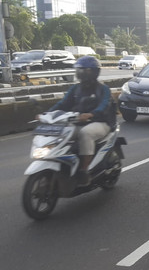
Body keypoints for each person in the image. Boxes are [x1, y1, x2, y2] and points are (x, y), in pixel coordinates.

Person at [39, 56, 116, 186]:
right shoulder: (75, 89)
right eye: (79, 70)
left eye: (85, 71)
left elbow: (104, 106)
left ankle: (84, 170)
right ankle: (64, 163)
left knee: (85, 133)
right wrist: (46, 114)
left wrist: (91, 114)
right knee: (62, 132)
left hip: (101, 122)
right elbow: (62, 104)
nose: (81, 73)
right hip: (78, 122)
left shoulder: (103, 89)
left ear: (94, 72)